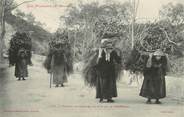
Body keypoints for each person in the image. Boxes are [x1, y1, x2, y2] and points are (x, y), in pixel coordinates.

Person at [83, 36, 122, 103]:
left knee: (110, 84)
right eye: (108, 48)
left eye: (110, 48)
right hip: (102, 71)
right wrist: (100, 56)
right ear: (105, 47)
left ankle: (109, 98)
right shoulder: (100, 52)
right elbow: (97, 63)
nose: (109, 49)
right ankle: (101, 97)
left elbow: (118, 60)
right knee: (102, 84)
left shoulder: (113, 52)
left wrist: (119, 56)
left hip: (110, 71)